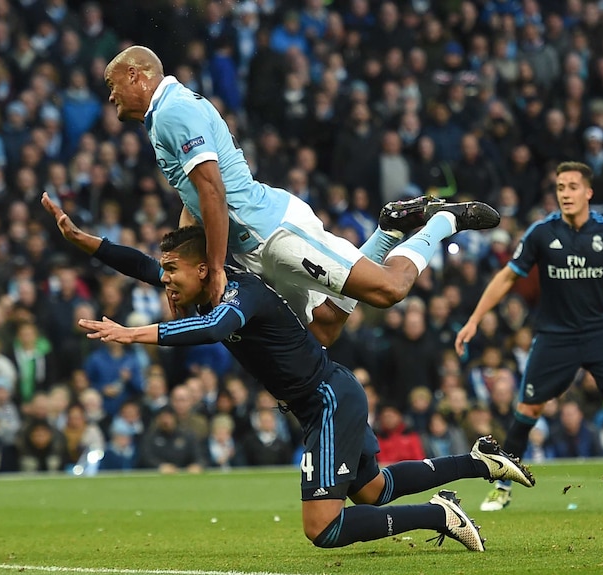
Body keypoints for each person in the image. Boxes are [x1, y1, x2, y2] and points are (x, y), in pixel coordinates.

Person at [46, 206, 534, 552]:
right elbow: (138, 264)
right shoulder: (203, 282)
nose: (164, 280)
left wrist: (130, 333)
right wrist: (84, 241)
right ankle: (479, 462)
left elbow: (215, 328)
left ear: (201, 267)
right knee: (373, 491)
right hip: (329, 393)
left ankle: (440, 514)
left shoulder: (241, 293)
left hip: (327, 401)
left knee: (323, 528)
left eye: (172, 270)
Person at [102, 45, 500, 346]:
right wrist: (185, 266)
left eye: (113, 84)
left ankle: (441, 222)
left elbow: (212, 192)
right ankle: (389, 230)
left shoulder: (172, 111)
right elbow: (194, 201)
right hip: (254, 245)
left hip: (273, 232)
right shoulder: (161, 118)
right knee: (323, 330)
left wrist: (216, 267)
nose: (111, 96)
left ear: (137, 75)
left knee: (389, 290)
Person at [455, 161, 603, 512]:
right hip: (555, 335)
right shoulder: (541, 233)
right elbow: (507, 277)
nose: (566, 194)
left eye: (572, 187)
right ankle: (503, 486)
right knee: (528, 409)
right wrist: (475, 319)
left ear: (588, 192)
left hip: (600, 331)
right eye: (560, 187)